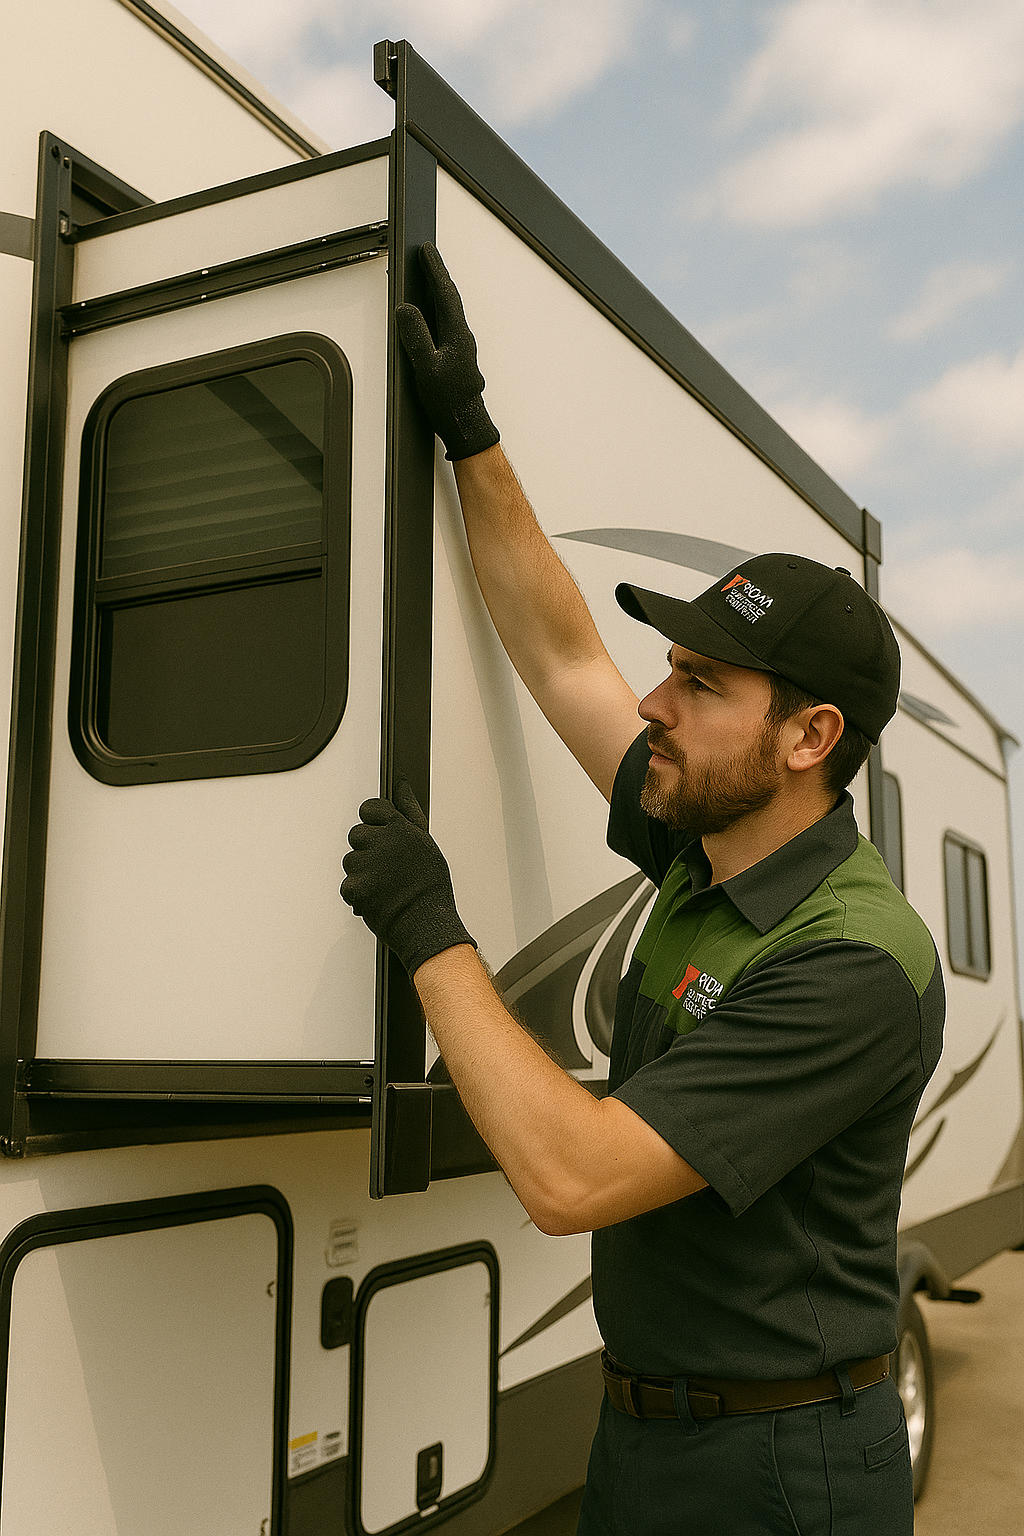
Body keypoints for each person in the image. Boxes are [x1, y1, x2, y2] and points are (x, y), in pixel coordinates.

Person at [341, 245, 944, 1535]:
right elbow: (561, 651)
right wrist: (471, 434)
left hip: (782, 1471)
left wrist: (431, 931)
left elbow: (571, 1181)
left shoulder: (855, 962)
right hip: (649, 1434)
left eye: (700, 686)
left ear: (807, 738)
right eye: (669, 669)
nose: (654, 707)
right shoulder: (703, 838)